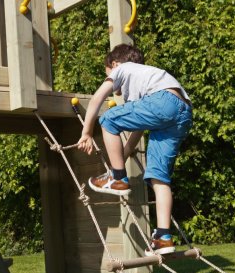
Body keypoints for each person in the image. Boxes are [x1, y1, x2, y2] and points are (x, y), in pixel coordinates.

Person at [77, 44, 192, 255]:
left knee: (109, 119)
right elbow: (137, 130)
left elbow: (97, 98)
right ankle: (164, 238)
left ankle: (119, 179)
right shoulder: (146, 79)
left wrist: (86, 132)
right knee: (159, 178)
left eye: (107, 74)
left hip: (163, 102)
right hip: (182, 112)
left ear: (114, 64)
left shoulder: (122, 69)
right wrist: (121, 157)